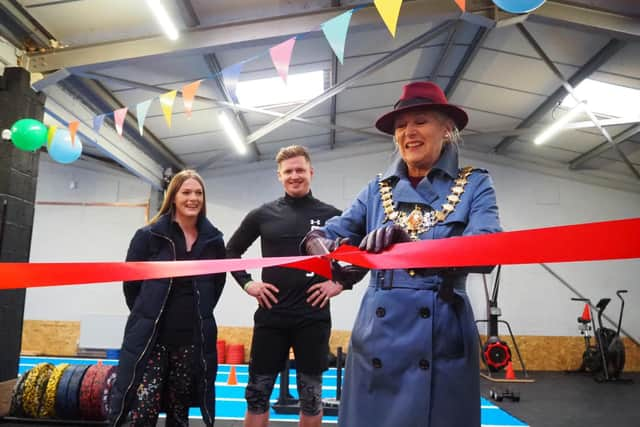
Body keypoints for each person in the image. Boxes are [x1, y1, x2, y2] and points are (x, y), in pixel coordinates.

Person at [303, 81, 502, 427]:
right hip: (377, 339)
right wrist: (333, 254)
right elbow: (323, 236)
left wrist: (410, 248)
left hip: (441, 338)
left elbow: (488, 250)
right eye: (400, 126)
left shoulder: (475, 184)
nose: (408, 132)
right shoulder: (377, 189)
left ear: (447, 128)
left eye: (421, 121)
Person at [226, 145, 366, 427]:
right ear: (279, 175)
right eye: (288, 171)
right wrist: (248, 283)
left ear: (311, 172)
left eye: (300, 170)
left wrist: (340, 283)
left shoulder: (333, 216)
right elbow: (230, 251)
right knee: (257, 395)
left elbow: (363, 253)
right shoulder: (262, 215)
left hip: (312, 319)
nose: (295, 176)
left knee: (311, 398)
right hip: (271, 317)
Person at [109, 170, 226, 427]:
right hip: (152, 340)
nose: (193, 198)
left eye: (198, 193)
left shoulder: (214, 240)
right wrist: (147, 313)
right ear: (173, 197)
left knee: (179, 411)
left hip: (191, 340)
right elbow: (131, 285)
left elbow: (217, 285)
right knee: (144, 409)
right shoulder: (148, 236)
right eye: (186, 192)